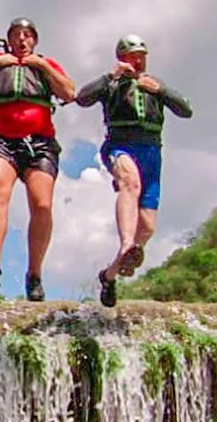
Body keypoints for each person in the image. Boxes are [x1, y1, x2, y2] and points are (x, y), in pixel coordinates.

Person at [0, 17, 76, 302]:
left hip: (40, 144)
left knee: (42, 204)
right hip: (1, 141)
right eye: (16, 35)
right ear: (8, 39)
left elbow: (69, 93)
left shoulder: (46, 65)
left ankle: (34, 274)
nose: (22, 40)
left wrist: (42, 66)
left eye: (28, 35)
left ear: (34, 40)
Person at [74, 34, 192, 308]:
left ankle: (110, 274)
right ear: (122, 58)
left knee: (148, 226)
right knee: (130, 183)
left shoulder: (154, 85)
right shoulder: (111, 84)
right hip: (120, 145)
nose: (137, 61)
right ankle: (126, 243)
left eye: (141, 56)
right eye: (132, 56)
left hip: (151, 151)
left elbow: (186, 110)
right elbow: (82, 98)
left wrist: (160, 91)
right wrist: (110, 76)